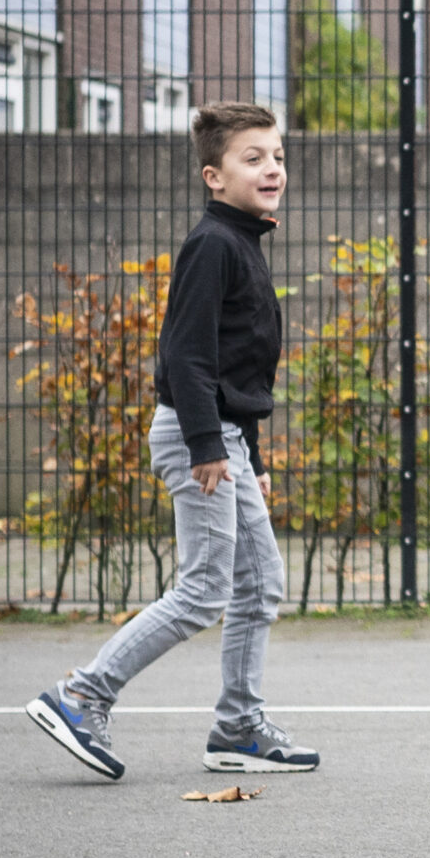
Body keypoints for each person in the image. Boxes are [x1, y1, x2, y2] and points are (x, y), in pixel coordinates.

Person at [26, 103, 312, 781]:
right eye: (253, 158)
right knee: (207, 588)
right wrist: (209, 446)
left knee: (259, 582)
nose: (271, 167)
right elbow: (185, 356)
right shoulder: (213, 244)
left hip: (222, 438)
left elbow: (237, 368)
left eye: (276, 156)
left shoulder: (242, 241)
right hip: (196, 437)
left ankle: (238, 728)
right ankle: (82, 695)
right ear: (214, 177)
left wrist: (251, 455)